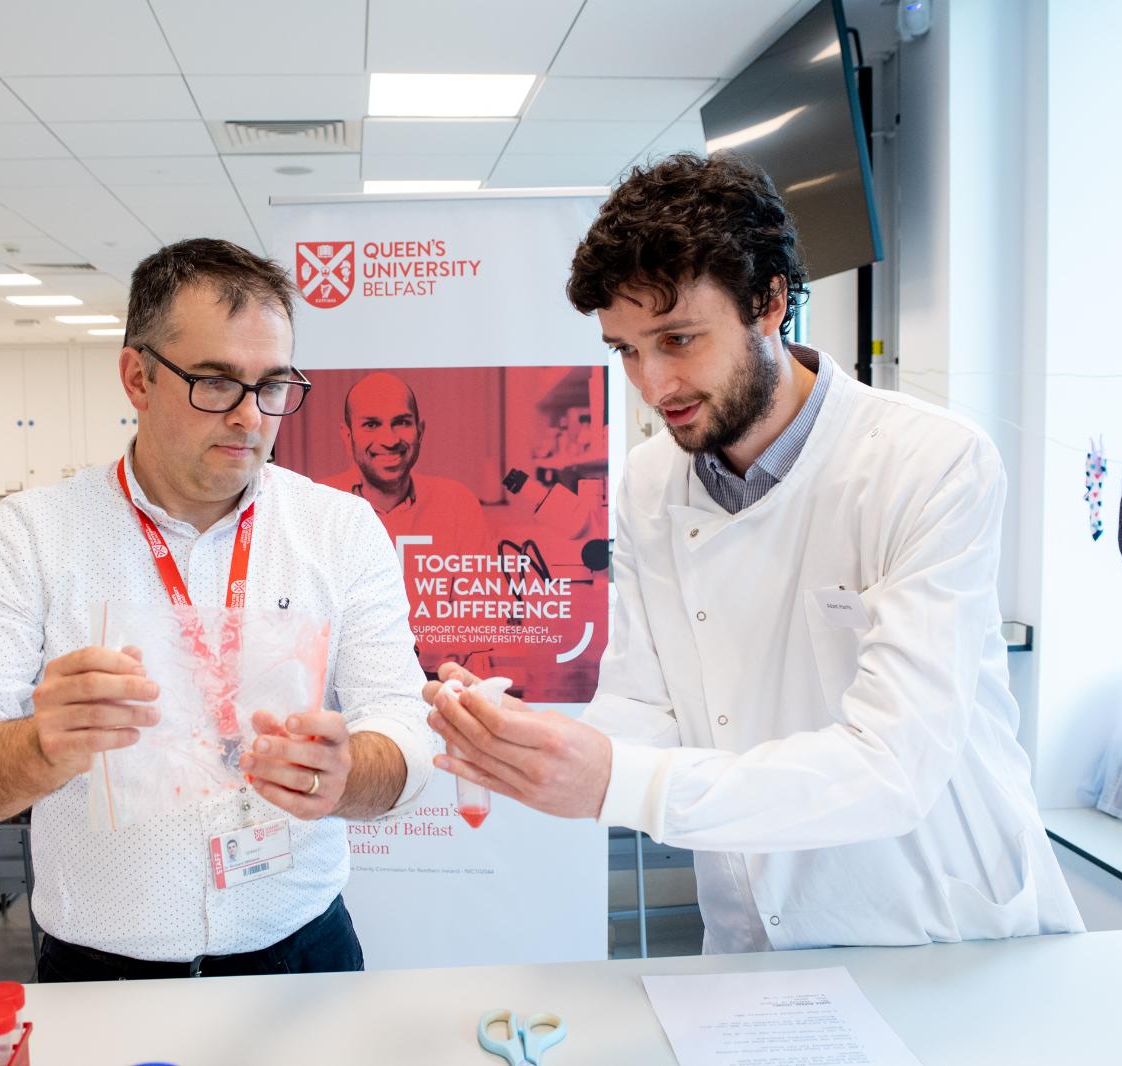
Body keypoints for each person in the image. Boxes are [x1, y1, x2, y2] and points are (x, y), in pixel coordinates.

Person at [427, 153, 1084, 952]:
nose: (653, 384)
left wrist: (617, 781)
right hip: (755, 931)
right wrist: (531, 742)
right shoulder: (650, 481)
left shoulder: (928, 461)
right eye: (625, 350)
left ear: (769, 303)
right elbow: (646, 708)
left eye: (677, 339)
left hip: (938, 923)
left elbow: (891, 767)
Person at [0, 238, 432, 982]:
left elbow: (404, 730)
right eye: (215, 382)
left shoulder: (337, 529)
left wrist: (347, 774)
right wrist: (39, 747)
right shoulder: (32, 536)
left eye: (272, 384)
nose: (249, 416)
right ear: (137, 378)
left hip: (303, 952)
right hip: (102, 970)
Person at [321, 373, 492, 673]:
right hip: (342, 686)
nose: (389, 440)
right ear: (348, 436)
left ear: (419, 430)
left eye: (401, 422)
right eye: (371, 424)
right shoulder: (320, 504)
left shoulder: (457, 503)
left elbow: (480, 619)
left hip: (436, 686)